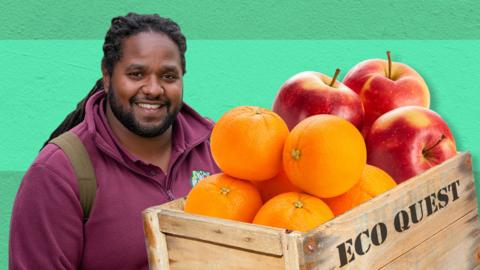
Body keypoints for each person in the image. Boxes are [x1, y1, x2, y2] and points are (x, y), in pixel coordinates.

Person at [9, 13, 220, 269]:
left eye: (168, 76)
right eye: (136, 74)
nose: (153, 89)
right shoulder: (58, 173)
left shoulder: (218, 149)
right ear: (107, 77)